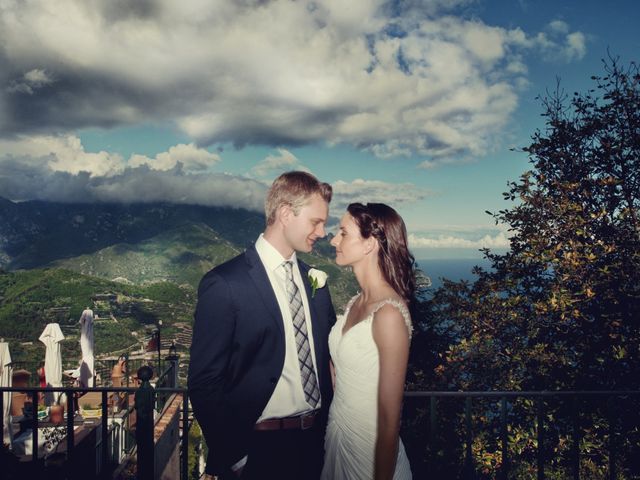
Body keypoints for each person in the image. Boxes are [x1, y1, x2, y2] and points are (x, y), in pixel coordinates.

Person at [188, 171, 337, 480]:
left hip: (316, 446)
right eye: (315, 222)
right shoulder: (226, 283)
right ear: (285, 213)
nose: (322, 232)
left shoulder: (316, 284)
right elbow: (204, 382)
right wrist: (237, 458)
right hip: (258, 451)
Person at [322, 202, 415, 480]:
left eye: (343, 233)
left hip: (370, 454)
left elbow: (390, 419)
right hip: (339, 438)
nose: (334, 240)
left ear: (369, 244)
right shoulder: (355, 303)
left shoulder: (388, 314)